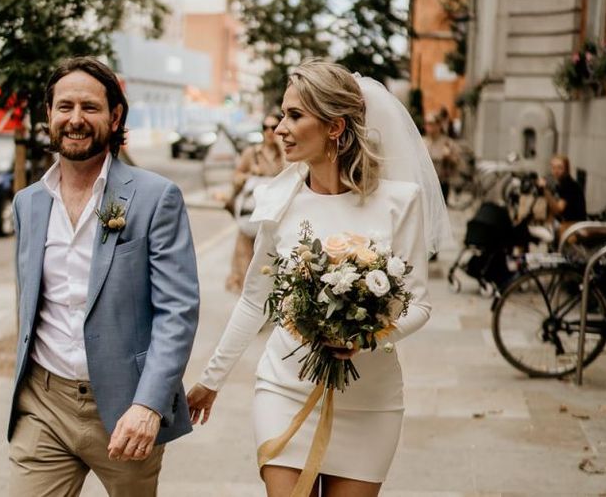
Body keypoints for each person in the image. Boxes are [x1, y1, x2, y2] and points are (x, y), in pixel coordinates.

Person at [187, 59, 451, 497]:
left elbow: (419, 305)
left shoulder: (400, 202)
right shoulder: (276, 199)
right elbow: (255, 301)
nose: (280, 129)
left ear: (334, 126)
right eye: (282, 115)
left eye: (295, 116)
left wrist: (367, 338)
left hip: (371, 401)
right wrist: (210, 380)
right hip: (284, 387)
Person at [8, 57, 200, 497]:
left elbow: (178, 311)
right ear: (49, 116)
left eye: (90, 108)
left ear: (115, 118)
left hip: (125, 406)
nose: (75, 119)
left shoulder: (155, 198)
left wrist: (149, 404)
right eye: (64, 107)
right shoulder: (28, 203)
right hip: (43, 403)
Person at [225, 113, 285, 293]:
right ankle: (246, 298)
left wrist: (280, 149)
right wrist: (251, 175)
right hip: (250, 216)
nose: (269, 132)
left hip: (273, 216)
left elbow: (291, 174)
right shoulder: (251, 153)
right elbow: (236, 177)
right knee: (245, 261)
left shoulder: (285, 153)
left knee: (269, 264)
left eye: (273, 127)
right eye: (265, 128)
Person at [537, 154, 587, 241]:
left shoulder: (569, 185)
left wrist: (545, 190)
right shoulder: (559, 184)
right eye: (553, 167)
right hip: (565, 223)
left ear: (567, 169)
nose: (556, 171)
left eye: (560, 168)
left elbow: (559, 209)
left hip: (574, 226)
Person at [422, 111, 459, 202]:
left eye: (431, 123)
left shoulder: (447, 142)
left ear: (438, 125)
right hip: (424, 183)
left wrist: (449, 156)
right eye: (426, 123)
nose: (428, 126)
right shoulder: (421, 142)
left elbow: (457, 162)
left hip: (441, 183)